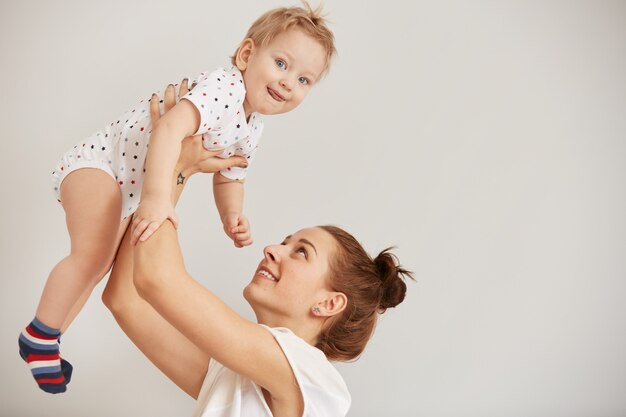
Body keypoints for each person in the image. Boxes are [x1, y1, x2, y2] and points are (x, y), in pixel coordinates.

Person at [19, 3, 336, 393]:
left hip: (130, 188)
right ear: (247, 55)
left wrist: (231, 215)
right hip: (101, 165)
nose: (289, 83)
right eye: (282, 64)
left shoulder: (252, 127)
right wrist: (156, 198)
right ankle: (40, 334)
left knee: (100, 264)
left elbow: (229, 175)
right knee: (92, 255)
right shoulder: (225, 89)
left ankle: (49, 338)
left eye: (305, 80)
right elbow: (169, 128)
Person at [102, 84, 413, 417]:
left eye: (301, 252)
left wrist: (171, 163)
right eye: (286, 242)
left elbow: (157, 280)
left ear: (329, 303)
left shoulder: (310, 375)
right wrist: (179, 172)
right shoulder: (230, 376)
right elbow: (126, 300)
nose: (272, 250)